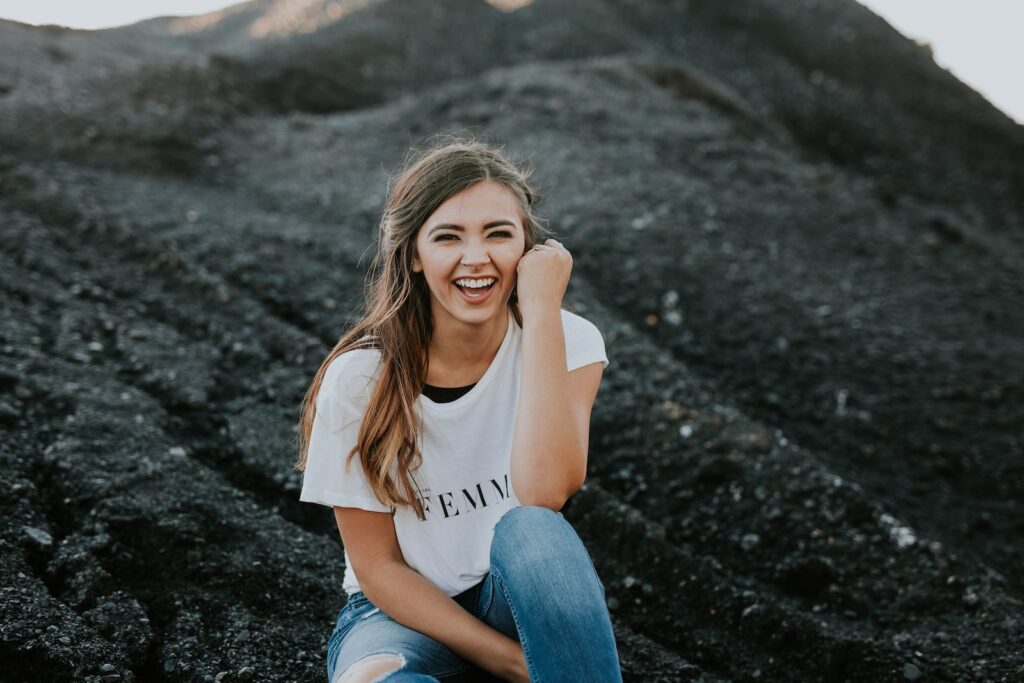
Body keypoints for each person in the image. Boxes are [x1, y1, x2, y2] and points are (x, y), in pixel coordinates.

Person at [295, 135, 623, 682]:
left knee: (533, 533)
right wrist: (511, 665)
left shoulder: (569, 340)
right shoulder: (359, 382)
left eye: (499, 234)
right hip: (401, 614)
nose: (477, 257)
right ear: (415, 256)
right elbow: (377, 568)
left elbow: (544, 493)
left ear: (528, 248)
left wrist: (541, 312)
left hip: (512, 601)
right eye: (448, 237)